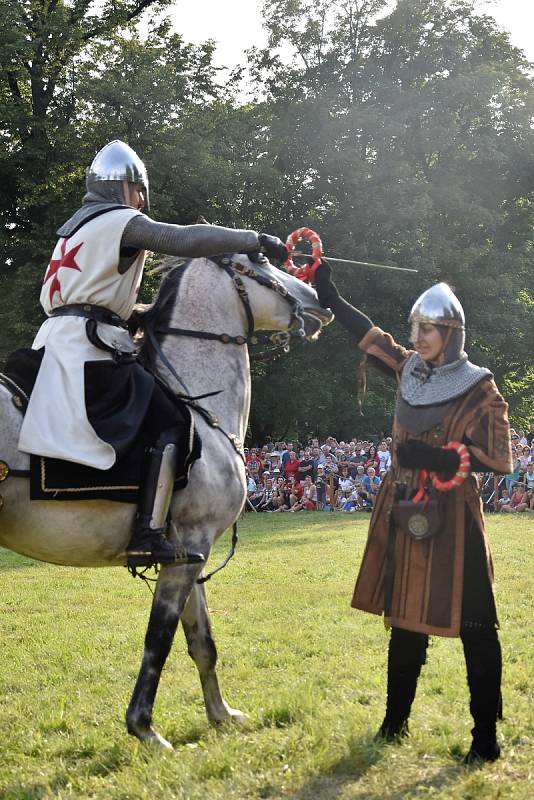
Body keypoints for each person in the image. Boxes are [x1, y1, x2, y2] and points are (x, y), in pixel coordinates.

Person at [18, 140, 289, 569]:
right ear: (126, 188)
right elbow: (179, 238)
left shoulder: (73, 230)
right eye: (138, 191)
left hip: (53, 341)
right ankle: (147, 531)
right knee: (172, 418)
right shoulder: (117, 221)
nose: (141, 201)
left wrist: (139, 313)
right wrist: (253, 238)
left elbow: (90, 298)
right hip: (88, 349)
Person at [315, 265, 512, 763]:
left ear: (450, 333)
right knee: (404, 620)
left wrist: (446, 457)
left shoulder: (478, 389)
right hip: (406, 511)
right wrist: (332, 297)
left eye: (427, 329)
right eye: (416, 329)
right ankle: (394, 723)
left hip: (453, 518)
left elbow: (497, 457)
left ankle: (485, 737)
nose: (418, 337)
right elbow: (371, 338)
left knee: (475, 626)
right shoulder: (409, 371)